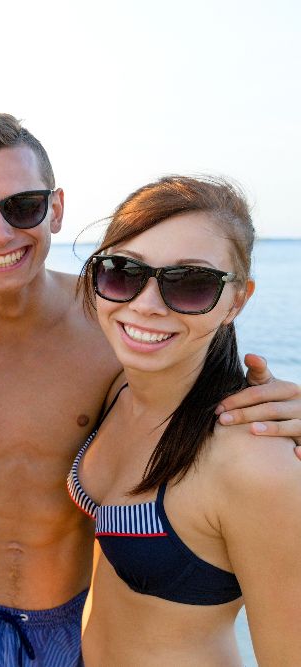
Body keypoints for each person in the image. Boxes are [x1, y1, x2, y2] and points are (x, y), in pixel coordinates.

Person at [0, 111, 301, 665]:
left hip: (74, 618)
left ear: (56, 208)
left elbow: (198, 389)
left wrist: (284, 419)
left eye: (22, 206)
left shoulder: (115, 322)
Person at [70, 175, 300, 664]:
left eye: (191, 283)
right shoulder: (119, 391)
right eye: (122, 272)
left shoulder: (252, 457)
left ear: (237, 300)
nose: (146, 304)